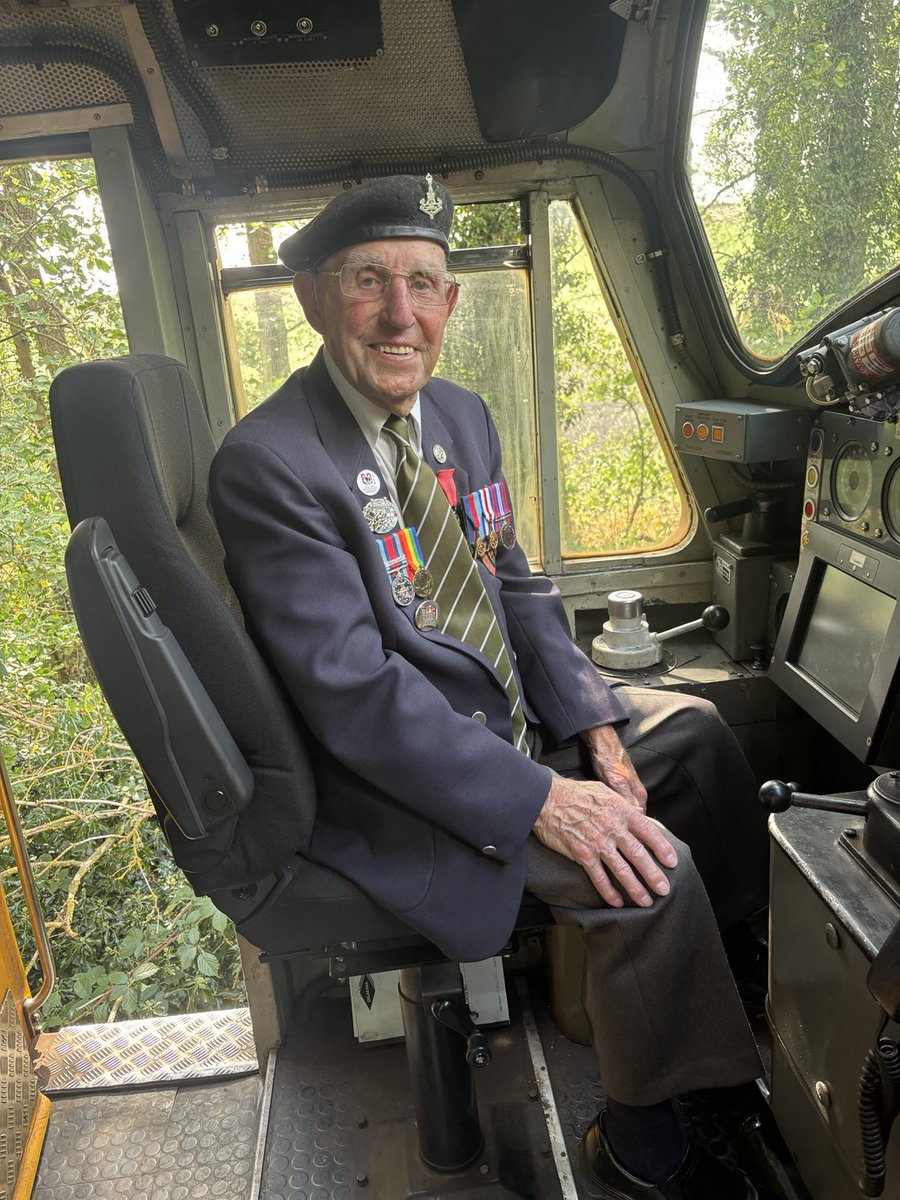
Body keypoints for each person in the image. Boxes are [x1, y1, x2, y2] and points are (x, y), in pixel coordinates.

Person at [209, 174, 769, 1200]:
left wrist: (594, 725)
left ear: (451, 304)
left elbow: (515, 582)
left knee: (694, 737)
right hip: (400, 777)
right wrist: (545, 798)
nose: (399, 312)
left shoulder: (460, 418)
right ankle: (641, 1146)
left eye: (424, 283)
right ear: (314, 299)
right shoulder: (271, 465)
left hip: (503, 711)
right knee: (649, 873)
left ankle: (726, 1000)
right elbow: (354, 695)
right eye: (368, 280)